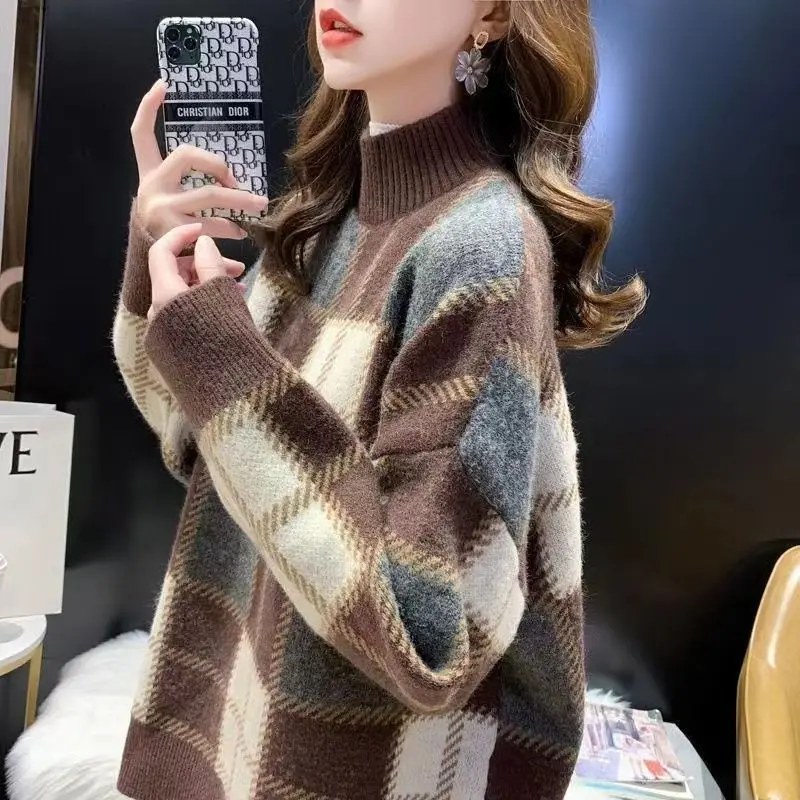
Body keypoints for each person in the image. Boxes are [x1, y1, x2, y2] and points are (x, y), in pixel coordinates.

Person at [112, 1, 645, 798]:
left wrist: (221, 354)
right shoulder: (329, 218)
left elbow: (425, 632)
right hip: (241, 741)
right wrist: (164, 269)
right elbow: (192, 438)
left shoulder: (481, 246)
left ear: (493, 13)